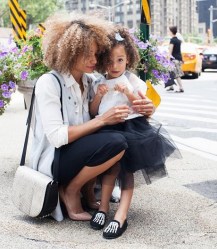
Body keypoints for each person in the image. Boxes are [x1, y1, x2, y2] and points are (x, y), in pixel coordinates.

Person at [30, 12, 155, 222]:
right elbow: (57, 137)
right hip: (55, 159)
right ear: (70, 52)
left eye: (97, 54)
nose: (94, 60)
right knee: (116, 141)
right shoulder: (49, 82)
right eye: (88, 54)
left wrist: (148, 108)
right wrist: (103, 119)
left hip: (79, 154)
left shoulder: (90, 82)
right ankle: (71, 190)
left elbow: (123, 104)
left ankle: (88, 191)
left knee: (117, 140)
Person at [89, 26, 181, 239]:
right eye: (110, 61)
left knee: (126, 171)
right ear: (103, 61)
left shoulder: (132, 80)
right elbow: (94, 112)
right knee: (109, 170)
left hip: (131, 129)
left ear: (128, 59)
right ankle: (103, 208)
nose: (114, 66)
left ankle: (121, 214)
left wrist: (128, 93)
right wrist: (98, 97)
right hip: (106, 129)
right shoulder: (99, 82)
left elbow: (142, 105)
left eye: (119, 60)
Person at [167, 26, 184, 92]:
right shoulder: (178, 40)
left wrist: (168, 60)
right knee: (171, 73)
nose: (169, 32)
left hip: (174, 60)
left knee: (176, 74)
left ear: (171, 32)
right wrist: (182, 59)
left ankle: (181, 87)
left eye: (169, 31)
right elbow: (179, 51)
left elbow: (170, 51)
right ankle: (171, 86)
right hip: (178, 59)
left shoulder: (172, 40)